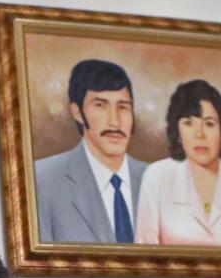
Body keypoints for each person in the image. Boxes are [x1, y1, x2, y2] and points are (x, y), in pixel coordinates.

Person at [134, 78, 221, 248]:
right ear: (177, 131)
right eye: (189, 123)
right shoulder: (157, 177)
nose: (200, 134)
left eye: (209, 124)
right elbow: (146, 254)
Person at [34, 58, 149, 244]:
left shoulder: (158, 180)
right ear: (77, 112)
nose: (115, 121)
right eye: (100, 105)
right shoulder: (41, 181)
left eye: (123, 107)